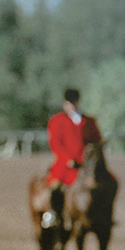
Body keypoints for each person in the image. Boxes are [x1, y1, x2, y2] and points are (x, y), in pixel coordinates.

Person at [45, 88, 102, 217]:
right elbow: (55, 145)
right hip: (66, 164)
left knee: (108, 182)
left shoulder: (89, 121)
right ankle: (53, 214)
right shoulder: (56, 121)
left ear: (78, 102)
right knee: (56, 186)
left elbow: (96, 141)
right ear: (65, 104)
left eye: (74, 102)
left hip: (87, 165)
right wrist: (68, 159)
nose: (71, 105)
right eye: (69, 103)